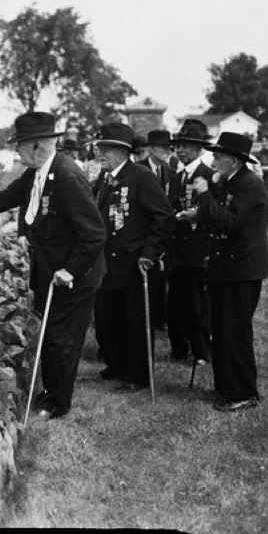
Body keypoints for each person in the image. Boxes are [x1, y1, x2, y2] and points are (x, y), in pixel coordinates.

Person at [0, 112, 107, 419]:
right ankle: (51, 392)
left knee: (61, 339)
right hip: (51, 272)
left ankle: (58, 403)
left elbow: (94, 234)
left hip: (72, 276)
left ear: (38, 146)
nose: (17, 152)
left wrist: (71, 269)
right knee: (53, 335)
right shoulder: (37, 173)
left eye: (21, 146)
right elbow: (1, 199)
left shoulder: (67, 176)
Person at [91, 123, 174, 392]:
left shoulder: (141, 177)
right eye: (99, 148)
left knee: (137, 321)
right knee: (110, 319)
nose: (99, 152)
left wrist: (150, 253)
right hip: (108, 264)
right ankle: (117, 366)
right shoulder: (103, 179)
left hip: (135, 263)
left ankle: (138, 375)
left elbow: (163, 217)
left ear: (122, 151)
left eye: (105, 148)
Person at [192, 132, 268, 412]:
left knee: (235, 332)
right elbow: (218, 214)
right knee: (222, 330)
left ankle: (244, 392)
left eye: (218, 156)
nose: (213, 161)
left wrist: (203, 195)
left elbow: (229, 222)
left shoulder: (249, 185)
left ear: (234, 160)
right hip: (225, 268)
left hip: (242, 270)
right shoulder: (230, 182)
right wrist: (199, 210)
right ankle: (226, 387)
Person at [165, 119, 214, 365]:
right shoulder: (176, 178)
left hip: (198, 250)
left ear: (199, 148)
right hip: (178, 250)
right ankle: (178, 348)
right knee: (175, 303)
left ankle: (202, 351)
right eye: (178, 146)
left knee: (197, 304)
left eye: (186, 145)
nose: (180, 150)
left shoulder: (210, 177)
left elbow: (214, 213)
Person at [137, 129, 175, 333]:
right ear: (150, 149)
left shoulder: (170, 172)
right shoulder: (138, 170)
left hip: (163, 233)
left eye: (169, 148)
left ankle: (160, 318)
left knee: (163, 279)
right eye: (163, 148)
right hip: (144, 234)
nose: (167, 151)